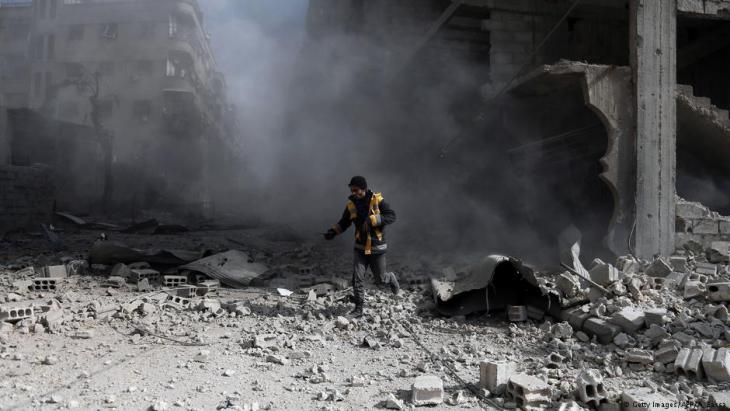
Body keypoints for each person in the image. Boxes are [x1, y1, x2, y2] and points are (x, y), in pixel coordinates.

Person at [324, 176, 399, 317]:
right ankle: (358, 309)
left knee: (380, 280)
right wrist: (332, 232)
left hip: (377, 249)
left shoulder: (378, 200)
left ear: (363, 188)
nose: (354, 193)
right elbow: (344, 223)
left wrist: (373, 220)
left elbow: (392, 216)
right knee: (357, 278)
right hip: (360, 248)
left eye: (356, 190)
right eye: (352, 190)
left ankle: (390, 278)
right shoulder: (351, 205)